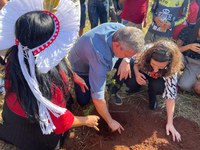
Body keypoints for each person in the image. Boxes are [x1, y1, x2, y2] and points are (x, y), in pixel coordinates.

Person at [0, 0, 100, 149]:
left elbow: (52, 61)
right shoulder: (52, 82)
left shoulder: (15, 59)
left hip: (12, 119)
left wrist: (72, 74)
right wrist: (86, 120)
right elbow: (60, 123)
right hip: (37, 132)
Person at [68, 22, 145, 134]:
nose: (128, 56)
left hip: (102, 57)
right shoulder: (100, 56)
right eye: (126, 54)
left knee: (131, 62)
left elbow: (130, 54)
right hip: (81, 69)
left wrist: (126, 60)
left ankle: (112, 90)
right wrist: (110, 121)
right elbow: (98, 99)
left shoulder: (122, 31)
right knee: (83, 100)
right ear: (117, 45)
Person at [109, 40, 183, 142]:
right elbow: (134, 61)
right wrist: (137, 73)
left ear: (169, 63)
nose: (156, 69)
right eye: (153, 64)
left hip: (156, 79)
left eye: (161, 67)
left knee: (159, 87)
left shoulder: (171, 70)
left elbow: (171, 97)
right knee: (130, 77)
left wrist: (170, 123)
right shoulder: (145, 51)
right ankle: (114, 90)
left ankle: (152, 93)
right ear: (149, 57)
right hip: (142, 72)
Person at [177, 19, 200, 95]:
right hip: (183, 57)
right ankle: (171, 80)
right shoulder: (188, 30)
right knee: (172, 57)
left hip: (195, 63)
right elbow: (175, 49)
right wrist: (188, 47)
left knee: (185, 86)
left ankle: (182, 80)